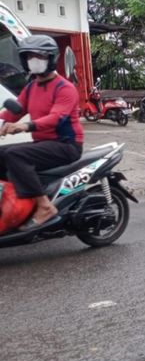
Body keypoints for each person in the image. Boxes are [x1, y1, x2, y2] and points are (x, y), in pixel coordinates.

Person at [0, 34, 84, 230]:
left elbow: (57, 117)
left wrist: (25, 126)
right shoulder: (31, 88)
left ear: (51, 59)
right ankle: (12, 204)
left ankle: (44, 206)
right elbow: (15, 110)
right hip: (44, 144)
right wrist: (3, 121)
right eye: (29, 56)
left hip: (67, 145)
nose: (33, 61)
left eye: (38, 56)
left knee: (15, 155)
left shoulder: (65, 88)